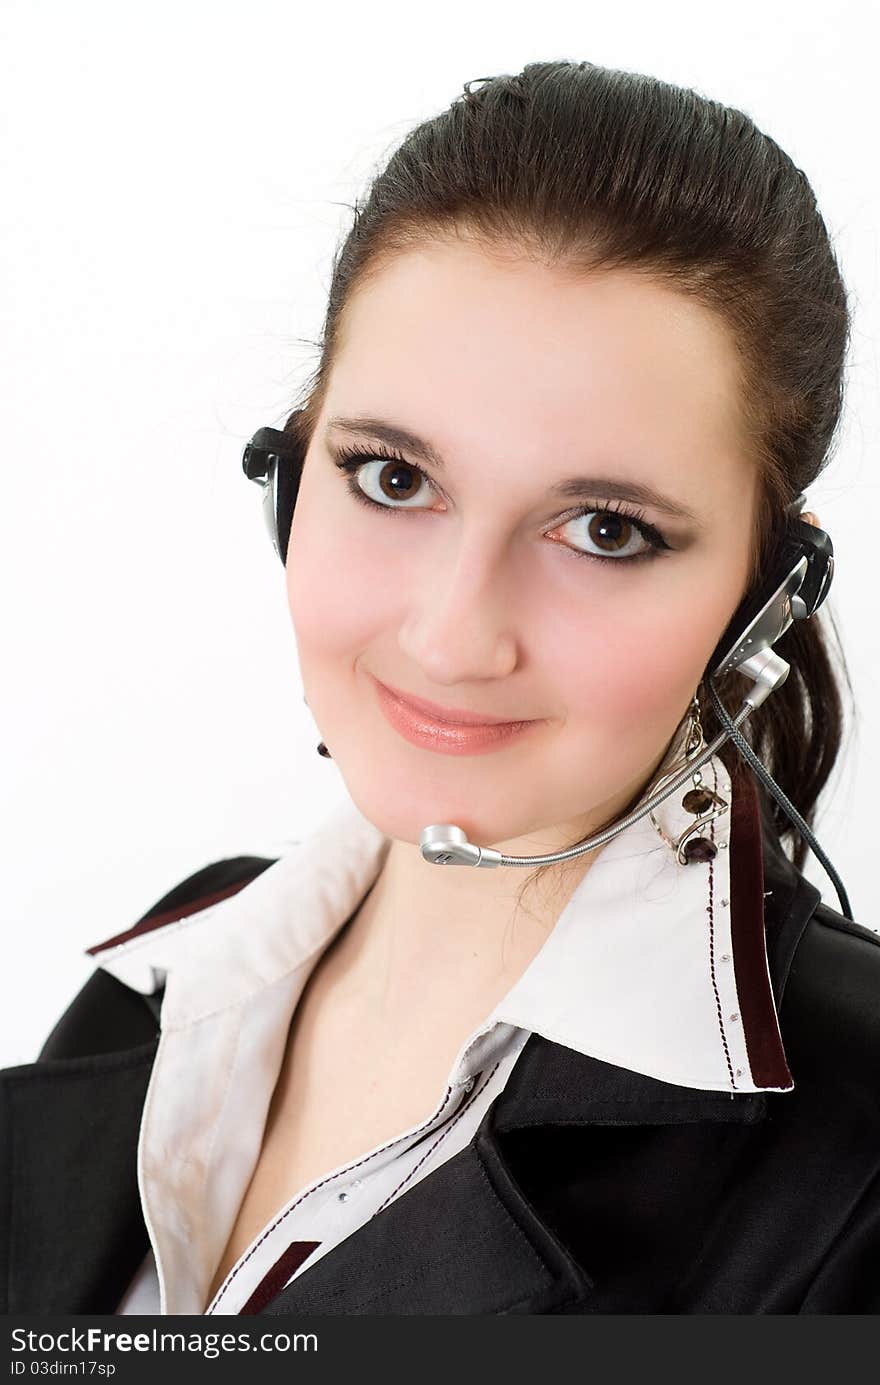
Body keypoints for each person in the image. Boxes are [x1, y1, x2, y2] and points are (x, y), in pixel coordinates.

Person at [3, 58, 878, 1317]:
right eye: (394, 479)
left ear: (762, 588)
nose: (455, 634)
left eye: (606, 530)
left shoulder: (853, 1151)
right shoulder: (158, 984)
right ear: (291, 469)